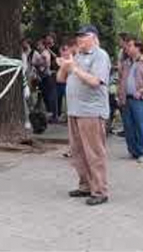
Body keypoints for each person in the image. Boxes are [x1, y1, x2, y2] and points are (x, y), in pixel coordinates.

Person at [57, 25, 111, 206]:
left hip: (91, 112)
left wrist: (74, 69)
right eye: (78, 36)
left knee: (94, 153)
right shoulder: (77, 56)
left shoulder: (100, 56)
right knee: (78, 152)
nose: (79, 39)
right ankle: (85, 185)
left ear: (94, 38)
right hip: (74, 110)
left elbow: (95, 81)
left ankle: (100, 190)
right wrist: (65, 65)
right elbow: (60, 79)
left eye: (83, 36)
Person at [118, 37, 143, 163]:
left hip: (140, 99)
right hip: (126, 99)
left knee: (141, 126)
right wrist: (120, 95)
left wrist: (142, 91)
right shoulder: (126, 63)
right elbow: (121, 80)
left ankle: (142, 152)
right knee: (128, 127)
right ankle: (133, 150)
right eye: (127, 46)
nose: (127, 48)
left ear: (138, 47)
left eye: (130, 45)